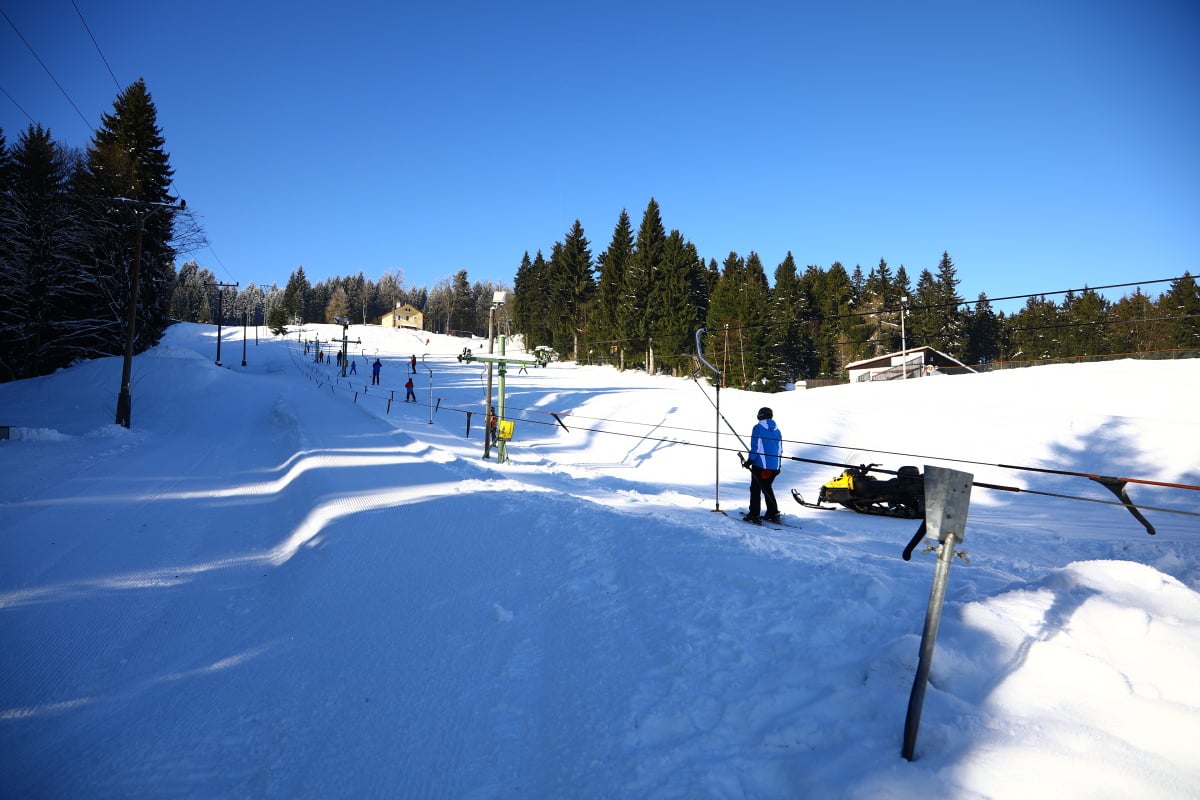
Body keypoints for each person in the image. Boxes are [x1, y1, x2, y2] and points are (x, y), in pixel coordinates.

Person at [743, 406, 783, 524]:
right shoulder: (777, 430)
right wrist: (778, 465)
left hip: (761, 466)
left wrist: (750, 460)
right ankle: (772, 512)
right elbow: (780, 449)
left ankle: (754, 514)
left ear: (760, 416)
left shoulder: (758, 428)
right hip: (774, 467)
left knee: (755, 488)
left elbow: (756, 447)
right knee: (766, 487)